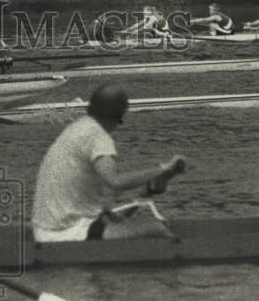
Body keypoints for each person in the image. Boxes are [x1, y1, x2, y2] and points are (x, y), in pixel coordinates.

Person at [32, 84, 187, 242]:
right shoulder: (97, 136)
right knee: (157, 227)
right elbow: (115, 182)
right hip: (66, 232)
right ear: (117, 114)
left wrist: (151, 186)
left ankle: (144, 196)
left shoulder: (77, 128)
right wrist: (163, 168)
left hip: (48, 228)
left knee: (118, 218)